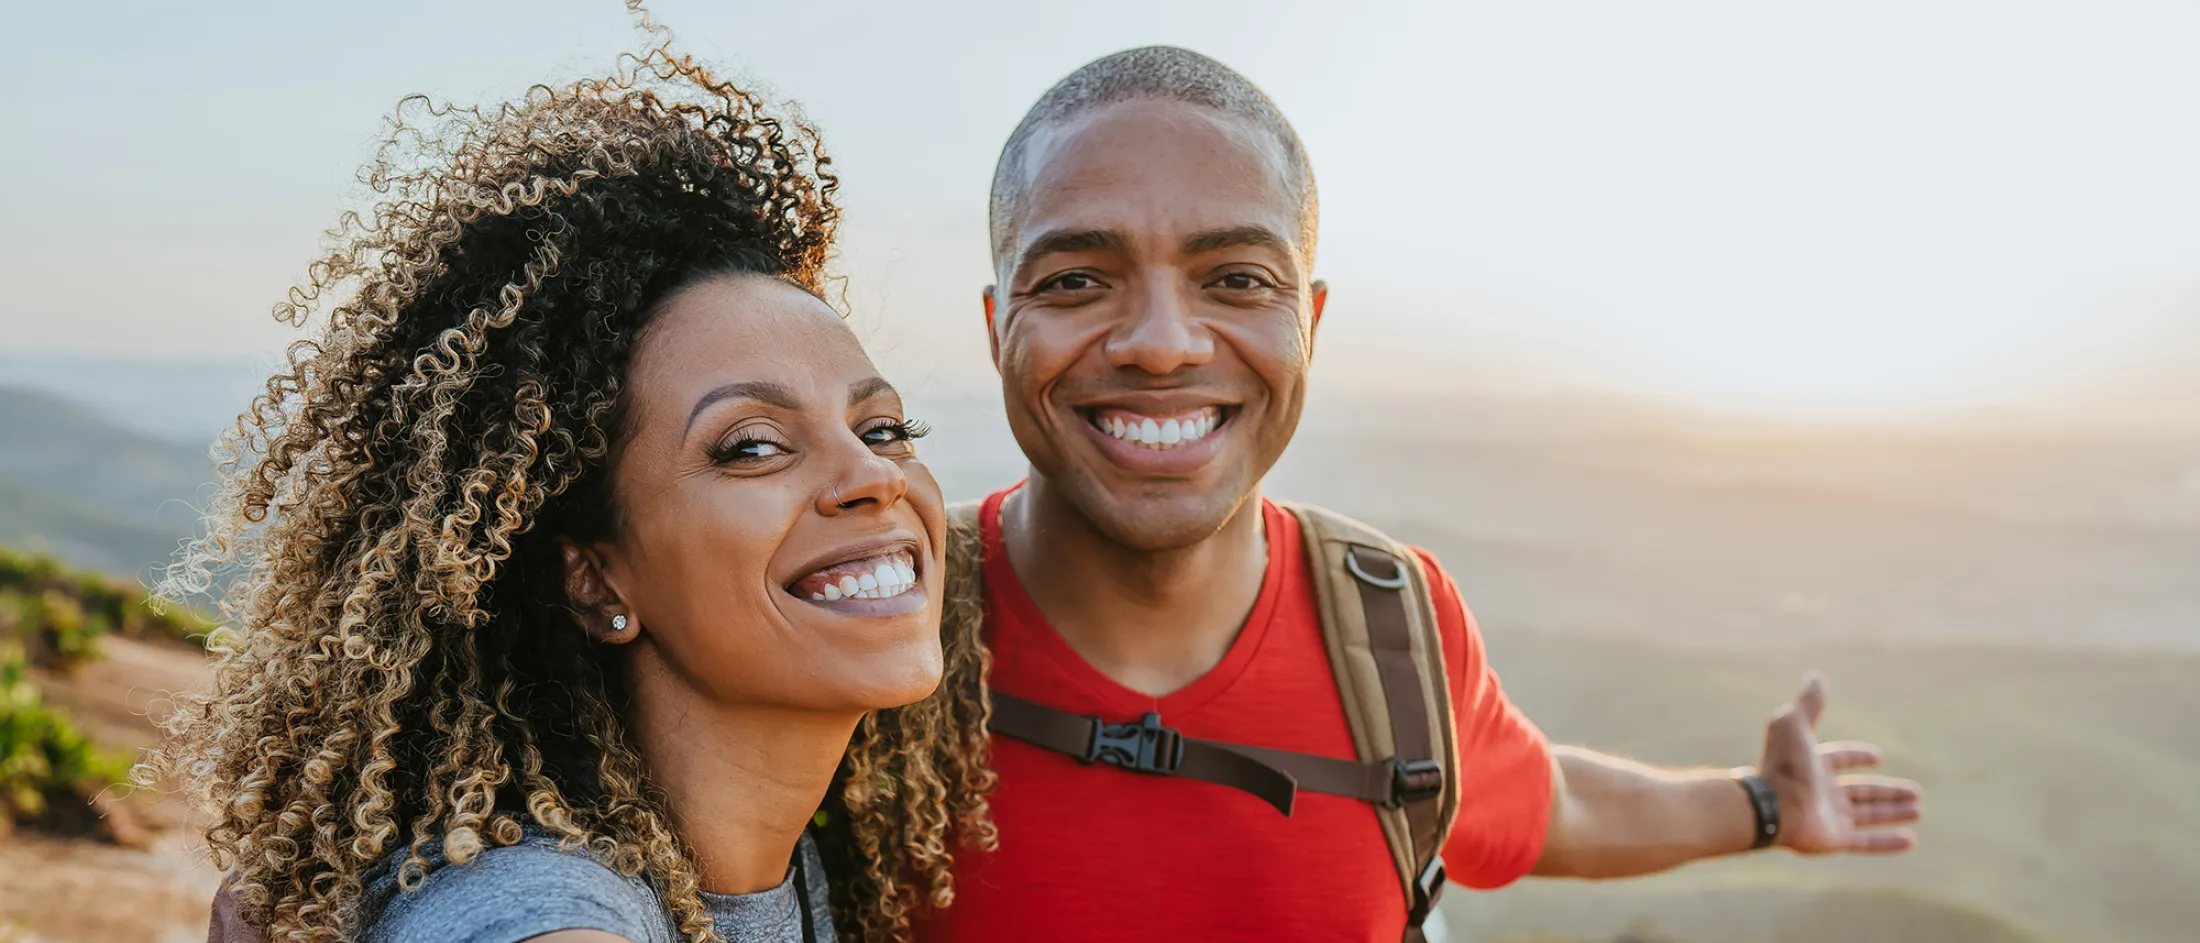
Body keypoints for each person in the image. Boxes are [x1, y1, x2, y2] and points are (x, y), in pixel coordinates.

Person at [906, 46, 1926, 942]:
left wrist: (1763, 805)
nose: (1163, 342)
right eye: (1078, 280)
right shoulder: (884, 629)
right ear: (999, 325)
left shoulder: (1388, 627)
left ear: (1309, 320)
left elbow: (1548, 803)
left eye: (1237, 280)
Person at [154, 16, 993, 943]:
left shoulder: (771, 870)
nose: (873, 474)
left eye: (884, 427)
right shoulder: (543, 909)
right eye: (751, 445)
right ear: (594, 578)